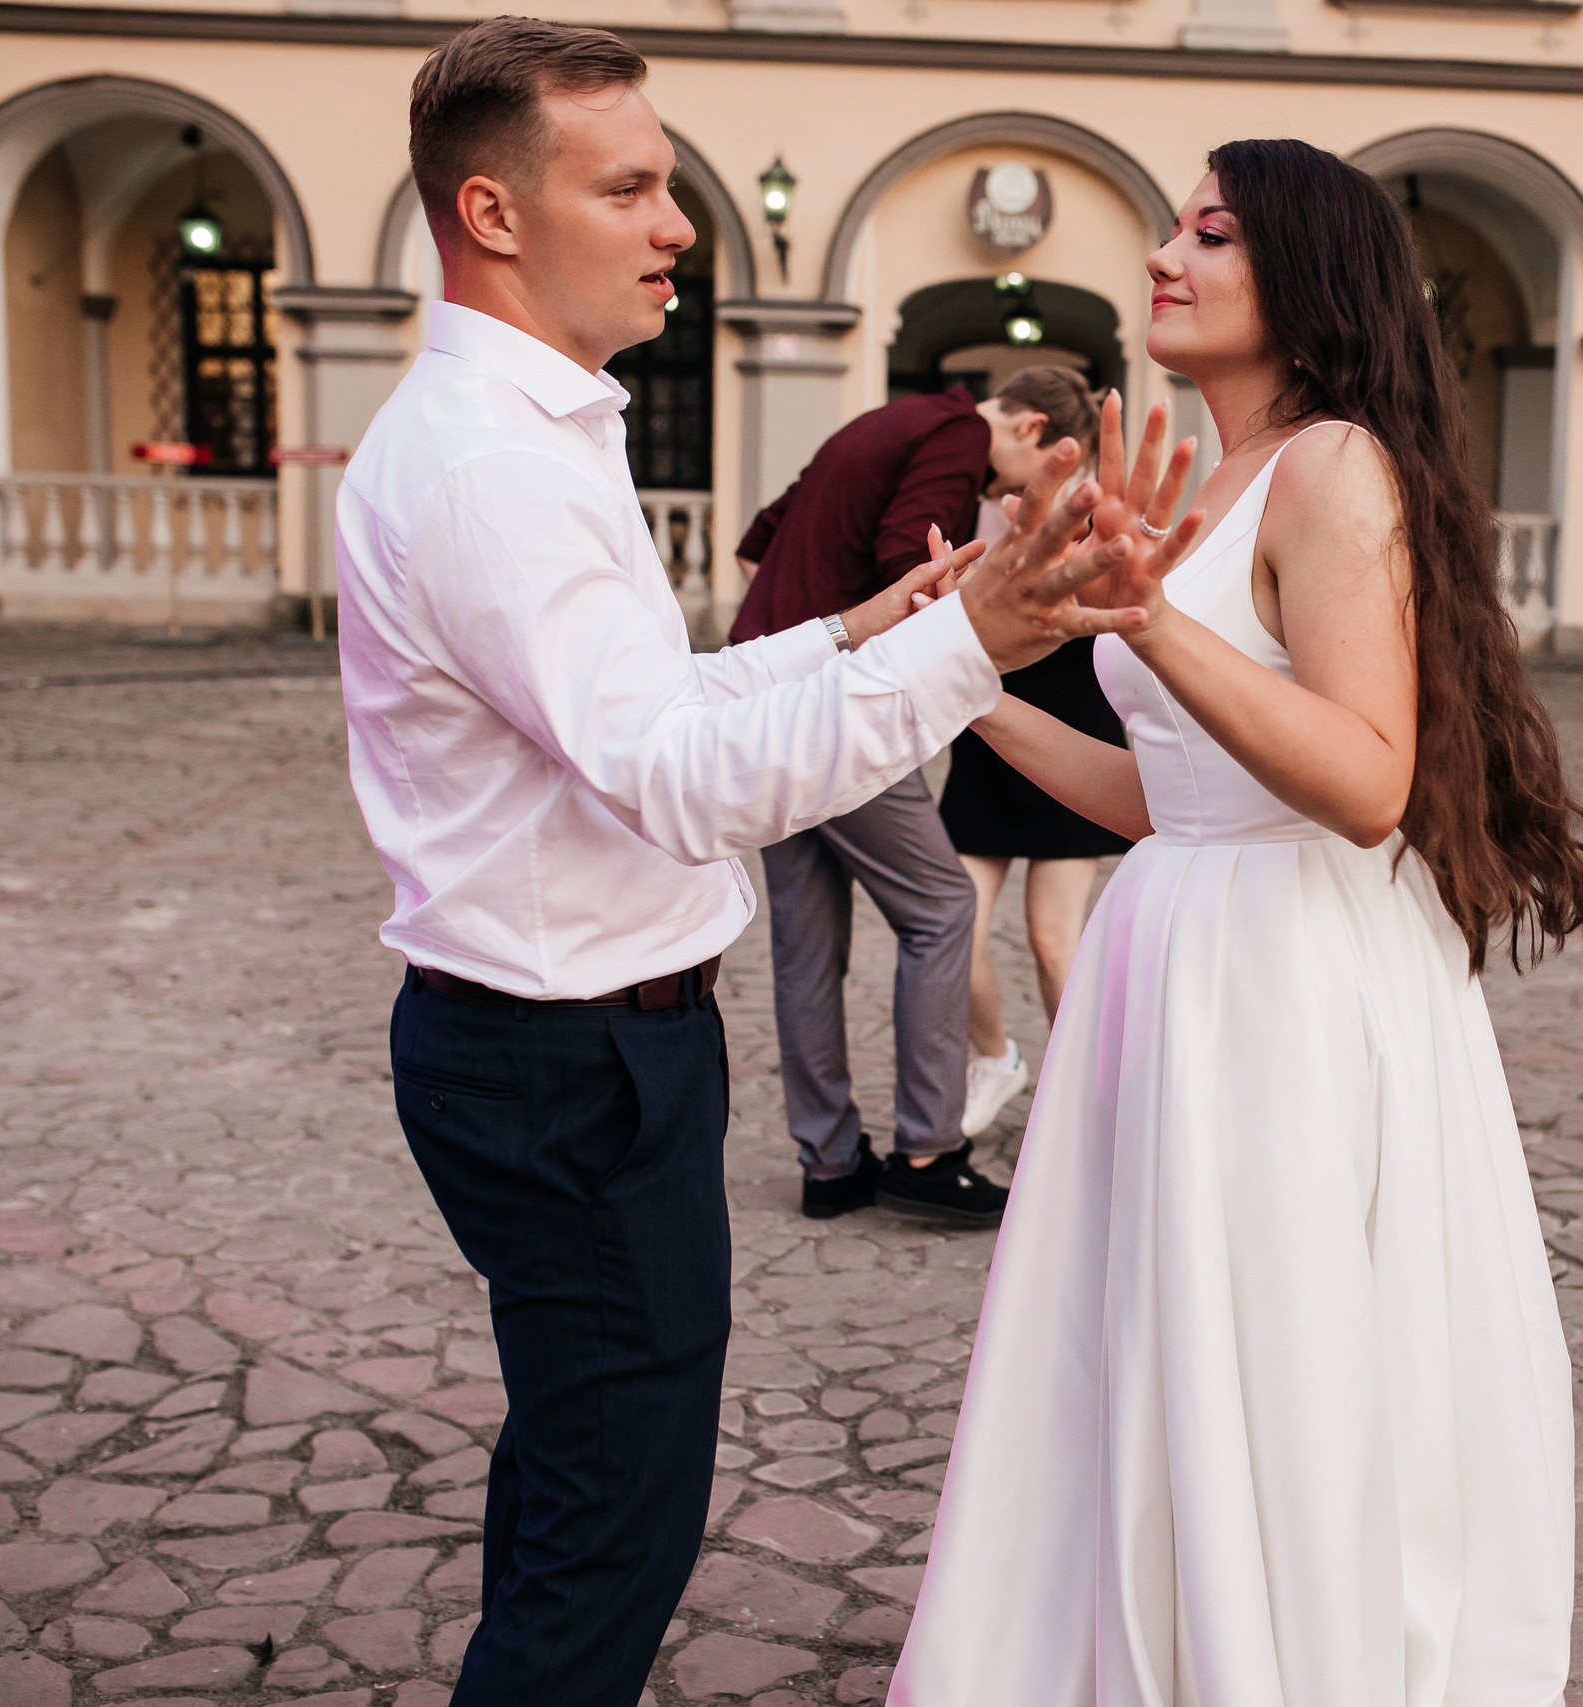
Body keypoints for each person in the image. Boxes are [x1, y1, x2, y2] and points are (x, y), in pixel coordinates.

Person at [335, 20, 1150, 1705]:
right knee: (610, 1535)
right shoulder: (492, 461)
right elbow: (676, 780)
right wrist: (974, 645)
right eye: (628, 185)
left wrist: (861, 629)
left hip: (574, 1044)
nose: (676, 223)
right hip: (567, 1063)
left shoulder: (537, 428)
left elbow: (652, 704)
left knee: (583, 1474)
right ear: (492, 212)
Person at [891, 139, 1583, 1705]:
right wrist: (966, 688)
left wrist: (1147, 615)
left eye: (1209, 231)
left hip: (1289, 973)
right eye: (1169, 223)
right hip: (1179, 947)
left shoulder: (1335, 467)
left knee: (1273, 1354)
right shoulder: (1211, 480)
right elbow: (1174, 792)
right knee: (1153, 1345)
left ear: (1304, 279)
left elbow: (1367, 780)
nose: (1163, 251)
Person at [724, 368, 1101, 1224]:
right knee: (940, 907)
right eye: (1014, 479)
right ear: (1031, 425)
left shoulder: (885, 421)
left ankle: (829, 1163)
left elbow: (761, 536)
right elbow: (909, 556)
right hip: (838, 703)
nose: (1003, 493)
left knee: (805, 937)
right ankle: (929, 1149)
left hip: (763, 692)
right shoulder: (958, 434)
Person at [939, 473, 1136, 1139]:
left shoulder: (1105, 564)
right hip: (990, 763)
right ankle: (997, 1058)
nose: (1024, 526)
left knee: (1054, 942)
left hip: (1074, 753)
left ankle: (1089, 1101)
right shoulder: (996, 565)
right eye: (1016, 514)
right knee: (951, 927)